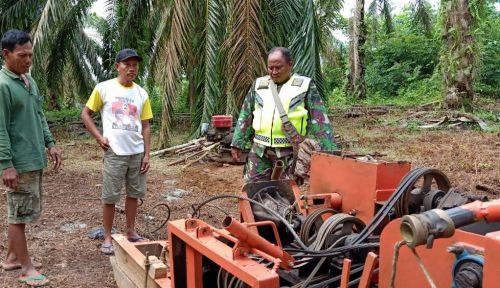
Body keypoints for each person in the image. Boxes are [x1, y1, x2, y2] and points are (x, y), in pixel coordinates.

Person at [0, 29, 62, 287]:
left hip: (34, 157)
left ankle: (12, 257)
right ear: (6, 54)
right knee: (19, 215)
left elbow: (38, 115)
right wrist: (6, 165)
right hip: (19, 162)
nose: (28, 60)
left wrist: (50, 143)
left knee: (24, 210)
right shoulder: (3, 86)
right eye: (22, 55)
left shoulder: (28, 81)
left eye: (31, 55)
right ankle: (27, 268)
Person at [81, 48, 153, 255]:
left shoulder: (141, 93)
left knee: (134, 194)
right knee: (110, 196)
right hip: (115, 151)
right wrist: (99, 137)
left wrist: (147, 154)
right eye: (127, 64)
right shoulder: (104, 88)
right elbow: (85, 114)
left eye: (135, 65)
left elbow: (146, 125)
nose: (131, 69)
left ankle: (131, 231)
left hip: (137, 152)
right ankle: (106, 236)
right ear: (117, 66)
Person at [231, 47, 336, 183]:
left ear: (290, 64)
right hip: (259, 151)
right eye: (270, 68)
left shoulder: (304, 86)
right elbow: (246, 114)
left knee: (286, 194)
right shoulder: (258, 85)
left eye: (278, 67)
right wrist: (237, 142)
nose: (274, 72)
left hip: (289, 153)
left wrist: (331, 152)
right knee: (253, 191)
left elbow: (320, 120)